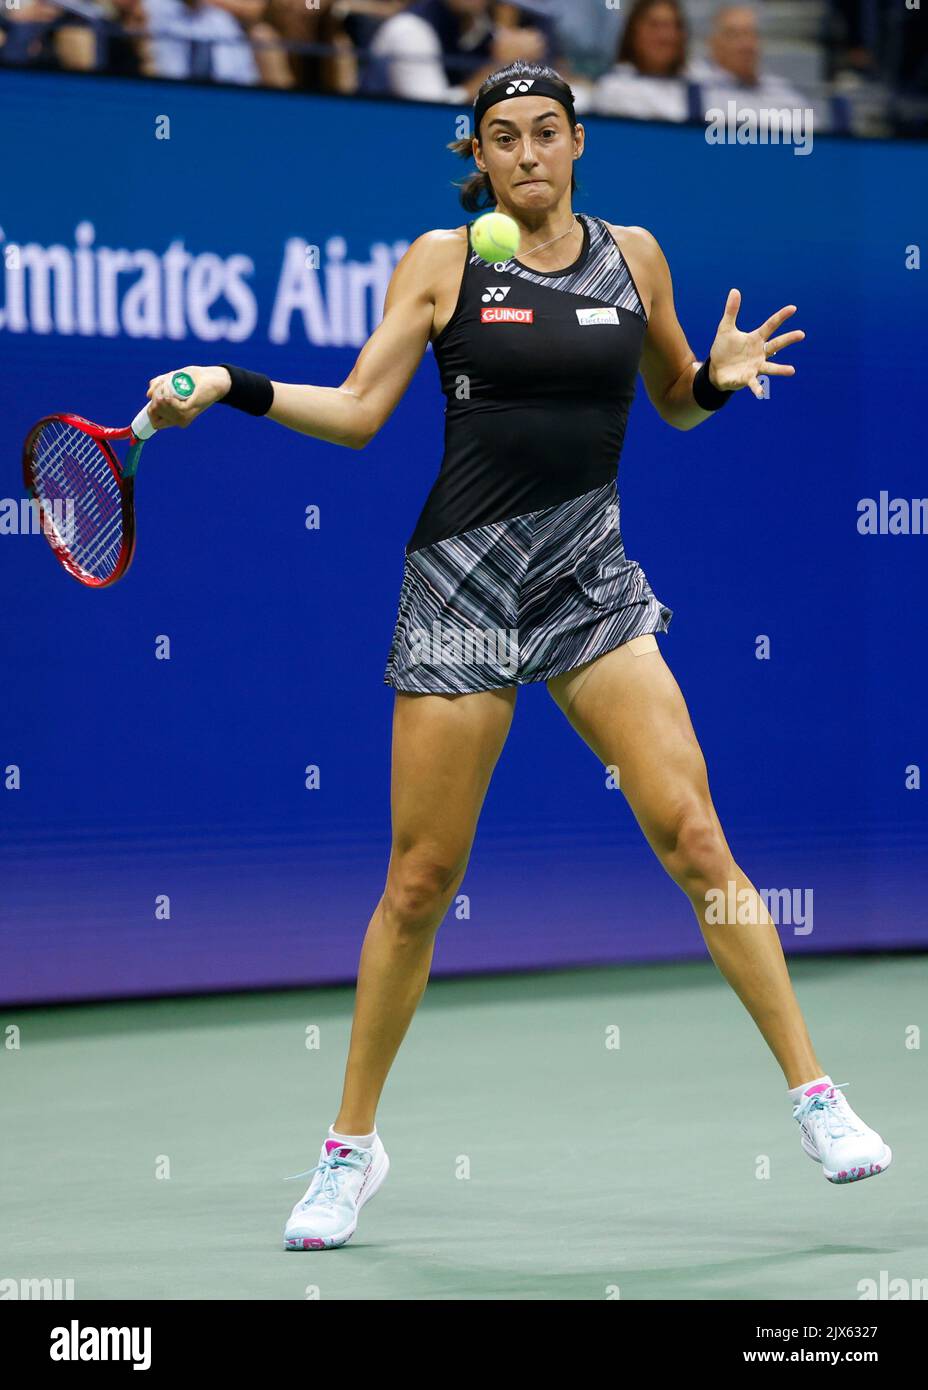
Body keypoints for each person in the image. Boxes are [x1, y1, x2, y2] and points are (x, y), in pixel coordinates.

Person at [144, 60, 893, 1251]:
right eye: (504, 136)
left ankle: (815, 1094)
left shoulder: (633, 254)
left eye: (548, 130)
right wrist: (227, 382)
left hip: (589, 575)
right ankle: (350, 1150)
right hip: (461, 583)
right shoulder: (444, 262)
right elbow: (354, 412)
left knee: (693, 832)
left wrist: (717, 379)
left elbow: (674, 401)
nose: (529, 151)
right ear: (478, 157)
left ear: (579, 142)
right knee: (418, 882)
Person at [593, 0, 697, 123]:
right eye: (655, 25)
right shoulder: (613, 88)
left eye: (674, 26)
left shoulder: (699, 88)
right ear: (633, 32)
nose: (666, 36)